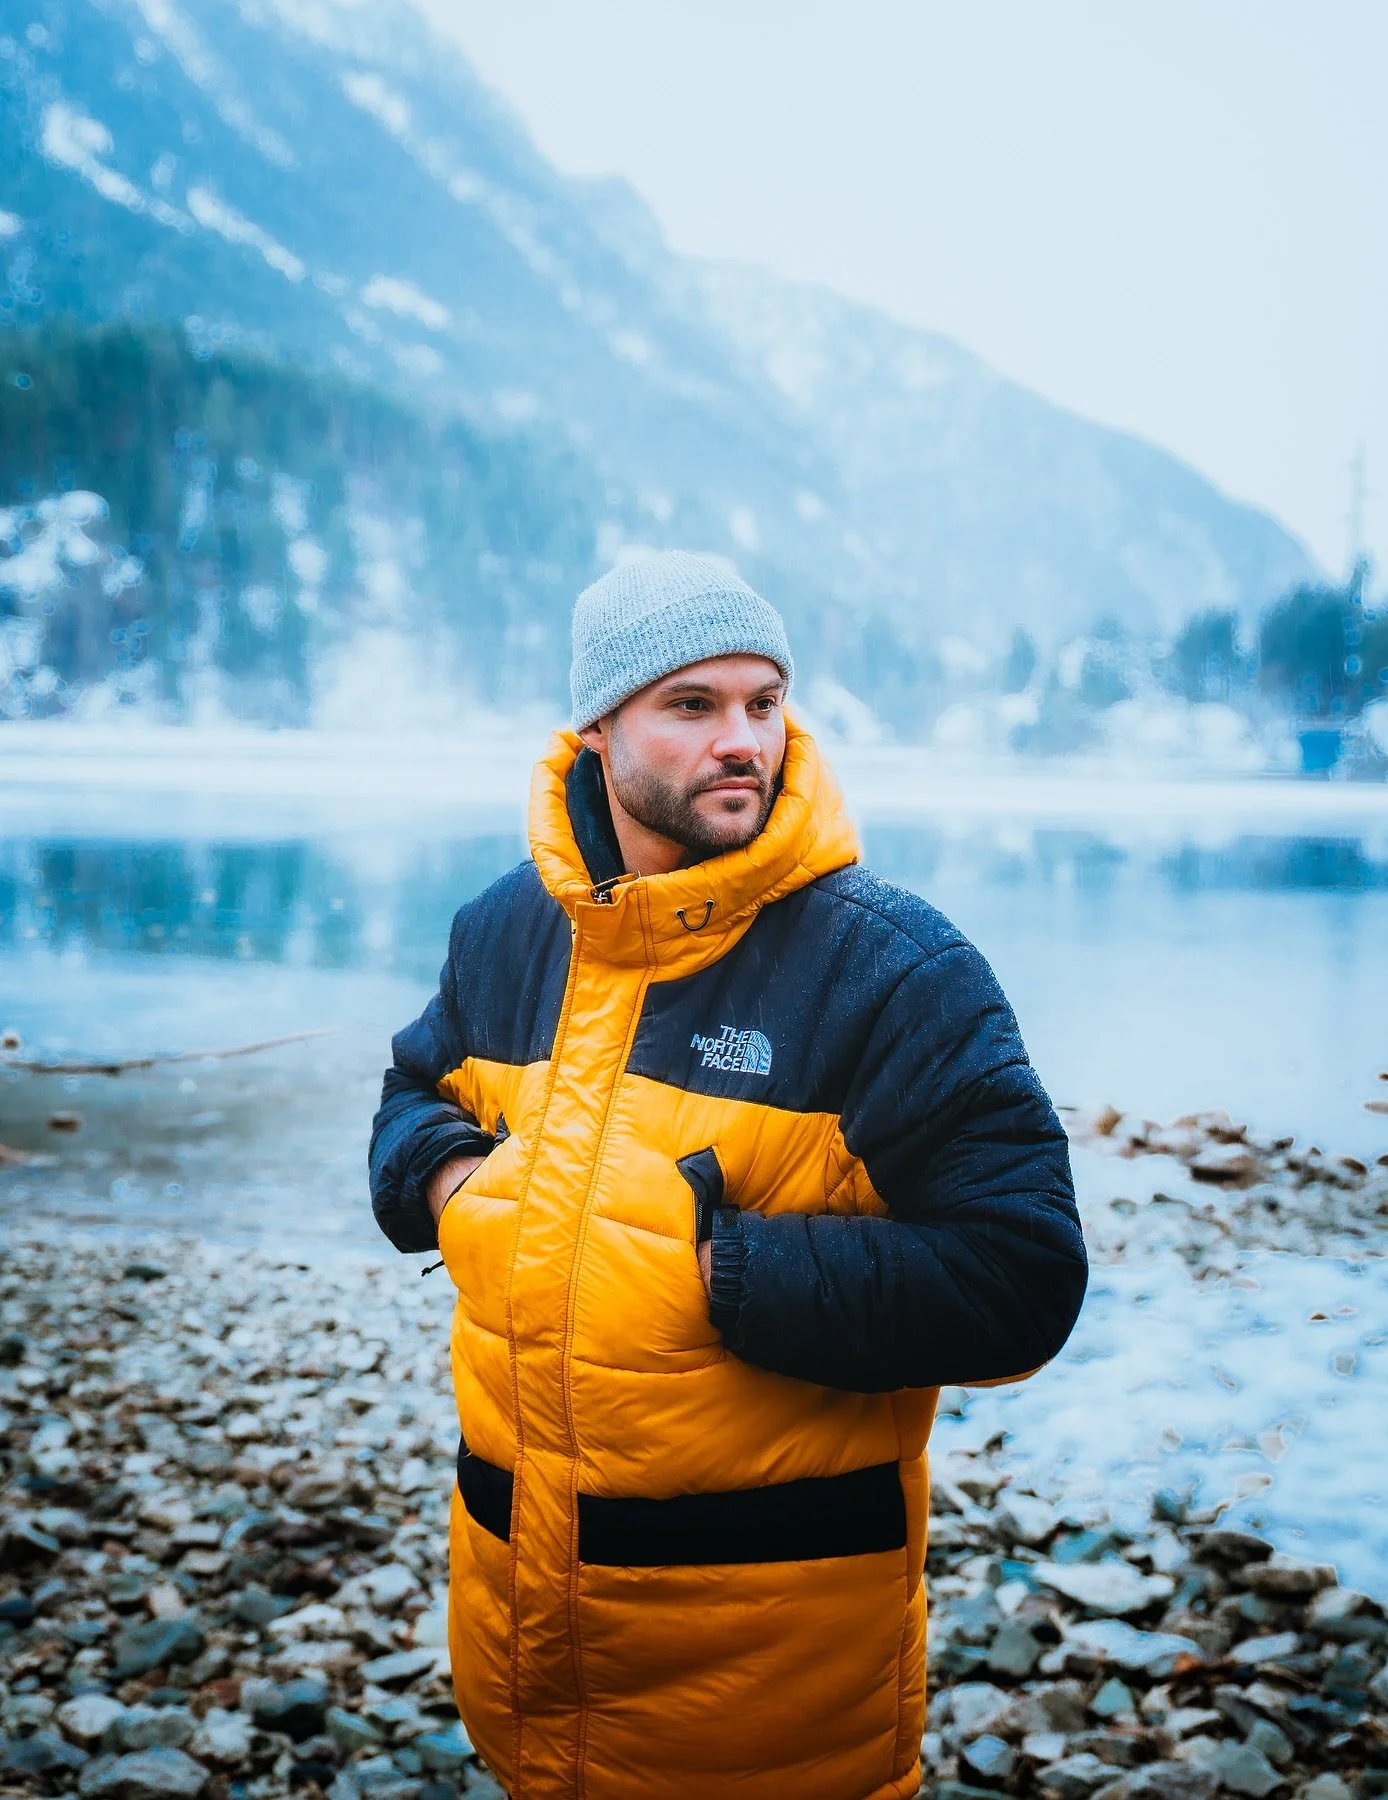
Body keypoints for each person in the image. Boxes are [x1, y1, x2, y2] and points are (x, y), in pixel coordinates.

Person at [369, 550, 1087, 1800]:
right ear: (599, 728)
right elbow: (410, 1101)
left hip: (775, 1703)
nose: (741, 739)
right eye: (691, 706)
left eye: (763, 701)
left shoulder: (893, 969)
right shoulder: (507, 931)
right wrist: (459, 1193)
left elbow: (1023, 1278)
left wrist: (723, 1268)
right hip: (519, 1654)